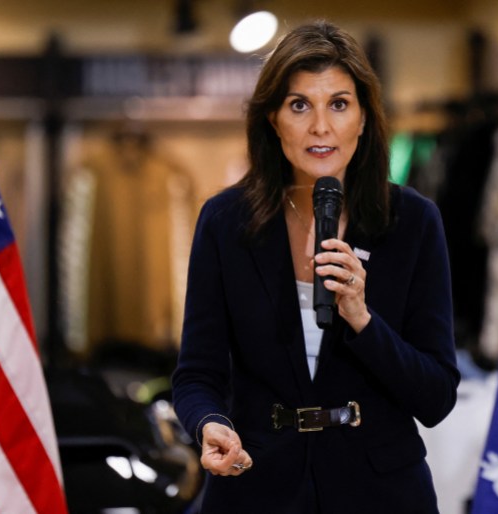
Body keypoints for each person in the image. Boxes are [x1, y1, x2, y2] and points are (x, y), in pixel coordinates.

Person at [171, 20, 459, 514]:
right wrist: (208, 422)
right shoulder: (225, 222)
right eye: (299, 105)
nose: (320, 126)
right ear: (273, 120)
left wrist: (362, 320)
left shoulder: (413, 222)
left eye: (339, 104)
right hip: (258, 485)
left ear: (365, 119)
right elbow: (197, 373)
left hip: (380, 491)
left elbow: (435, 398)